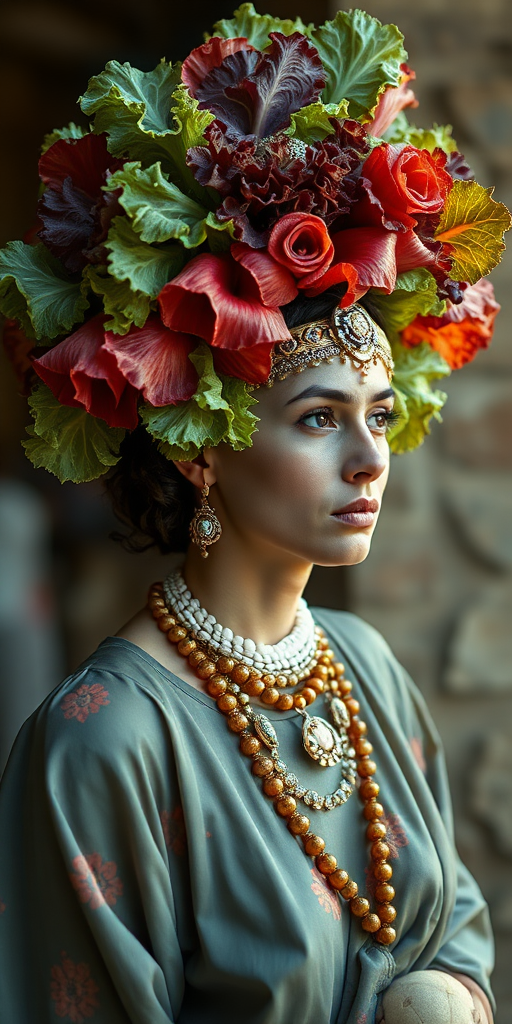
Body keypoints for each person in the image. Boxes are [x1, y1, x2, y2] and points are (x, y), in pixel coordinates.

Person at [0, 6, 509, 1023]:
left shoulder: (365, 665)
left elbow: (452, 923)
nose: (370, 458)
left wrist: (440, 995)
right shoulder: (103, 743)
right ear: (199, 449)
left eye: (376, 414)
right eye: (318, 419)